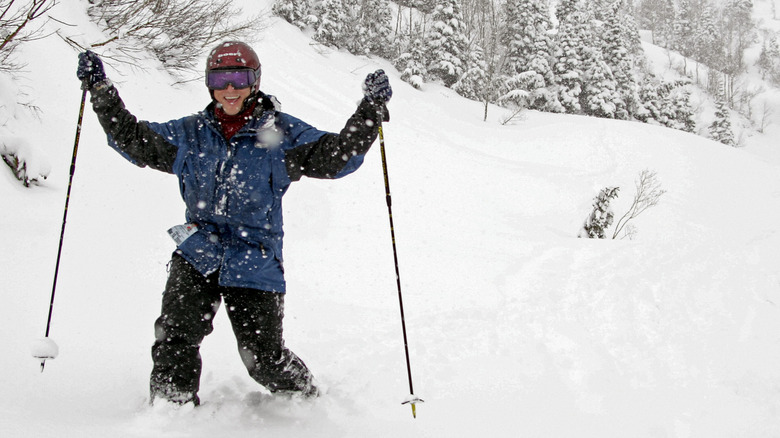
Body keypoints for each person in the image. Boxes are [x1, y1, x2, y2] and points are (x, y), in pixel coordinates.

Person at [76, 41, 392, 406]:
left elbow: (337, 157)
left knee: (264, 361)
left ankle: (305, 399)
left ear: (254, 81)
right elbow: (132, 139)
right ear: (209, 83)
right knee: (175, 335)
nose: (229, 89)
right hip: (199, 250)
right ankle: (170, 408)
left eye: (239, 78)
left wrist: (370, 109)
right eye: (220, 79)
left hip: (254, 258)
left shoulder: (281, 135)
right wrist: (101, 91)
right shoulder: (189, 134)